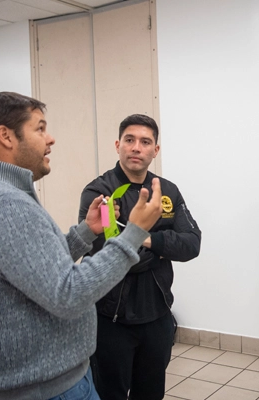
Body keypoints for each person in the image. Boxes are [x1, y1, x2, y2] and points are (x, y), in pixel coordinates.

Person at [0, 92, 163, 399]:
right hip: (47, 390)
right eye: (40, 128)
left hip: (45, 383)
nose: (50, 139)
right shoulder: (3, 204)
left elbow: (37, 270)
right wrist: (133, 234)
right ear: (6, 136)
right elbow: (68, 293)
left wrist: (83, 234)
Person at [79, 114, 201, 400]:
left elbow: (192, 244)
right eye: (130, 140)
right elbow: (109, 257)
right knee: (109, 394)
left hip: (157, 316)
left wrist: (146, 239)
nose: (136, 147)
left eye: (145, 142)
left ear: (155, 150)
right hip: (111, 320)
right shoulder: (101, 192)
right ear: (118, 145)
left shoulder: (167, 191)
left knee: (150, 394)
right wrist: (162, 250)